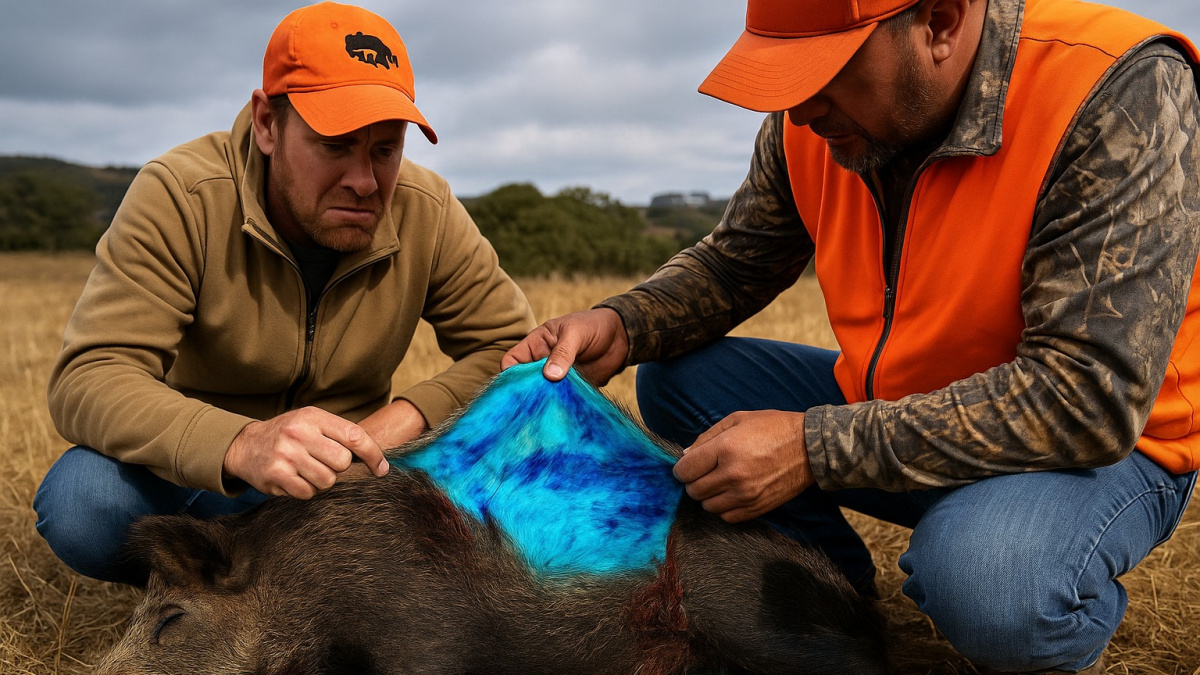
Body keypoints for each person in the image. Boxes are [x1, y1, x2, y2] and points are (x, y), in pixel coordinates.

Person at [504, 0, 1200, 672]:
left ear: (941, 23)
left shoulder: (1115, 88)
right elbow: (735, 261)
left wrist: (812, 449)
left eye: (823, 71)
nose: (800, 109)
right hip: (902, 404)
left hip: (1107, 448)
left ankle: (1049, 604)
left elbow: (1087, 399)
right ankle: (830, 588)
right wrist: (621, 324)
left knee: (990, 587)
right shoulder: (813, 119)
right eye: (786, 75)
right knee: (678, 379)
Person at [34, 1, 535, 586]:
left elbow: (514, 351)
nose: (364, 181)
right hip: (208, 483)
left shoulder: (428, 208)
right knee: (84, 501)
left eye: (385, 149)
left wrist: (397, 424)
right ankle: (250, 579)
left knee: (528, 490)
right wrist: (240, 444)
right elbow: (90, 376)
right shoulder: (180, 195)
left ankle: (267, 578)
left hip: (353, 487)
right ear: (268, 124)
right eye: (335, 145)